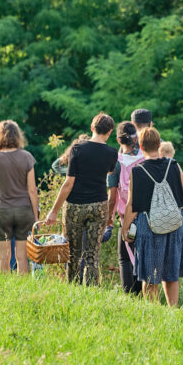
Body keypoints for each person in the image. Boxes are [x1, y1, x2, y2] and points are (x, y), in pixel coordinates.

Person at [121, 127, 183, 305]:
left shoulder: (137, 171)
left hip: (148, 226)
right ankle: (173, 311)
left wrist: (125, 228)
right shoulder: (174, 165)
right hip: (175, 224)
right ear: (159, 144)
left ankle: (154, 313)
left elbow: (131, 204)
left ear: (140, 145)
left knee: (150, 274)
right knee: (171, 274)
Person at [45, 113, 117, 286]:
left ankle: (73, 290)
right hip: (99, 206)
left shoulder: (77, 149)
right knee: (92, 255)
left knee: (74, 253)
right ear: (110, 132)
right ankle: (91, 292)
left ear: (92, 127)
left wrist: (54, 211)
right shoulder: (112, 153)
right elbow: (108, 174)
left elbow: (68, 183)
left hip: (75, 207)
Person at [0, 120, 38, 274]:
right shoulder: (27, 157)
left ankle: (4, 291)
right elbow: (32, 190)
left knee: (3, 257)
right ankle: (24, 291)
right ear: (17, 137)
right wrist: (35, 216)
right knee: (22, 257)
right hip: (24, 211)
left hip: (2, 211)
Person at [106, 121, 144, 294]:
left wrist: (109, 220)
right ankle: (144, 291)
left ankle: (129, 294)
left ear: (118, 139)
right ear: (136, 139)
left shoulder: (116, 162)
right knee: (142, 255)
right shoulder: (146, 158)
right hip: (145, 215)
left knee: (124, 258)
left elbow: (112, 196)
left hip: (125, 217)